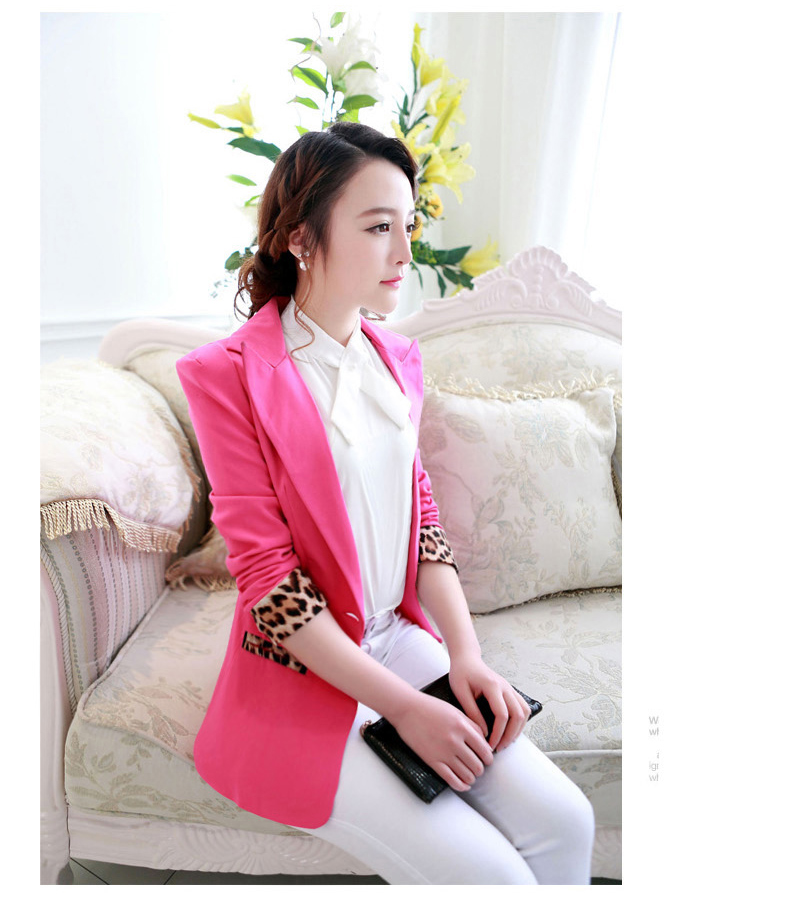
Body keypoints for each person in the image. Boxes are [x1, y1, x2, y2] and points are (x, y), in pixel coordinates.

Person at [176, 121, 595, 885]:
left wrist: (466, 655)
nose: (404, 252)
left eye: (408, 225)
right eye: (377, 228)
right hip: (301, 667)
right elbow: (269, 580)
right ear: (301, 239)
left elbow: (421, 519)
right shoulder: (225, 375)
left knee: (569, 822)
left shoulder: (398, 358)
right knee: (494, 880)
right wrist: (403, 706)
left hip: (396, 637)